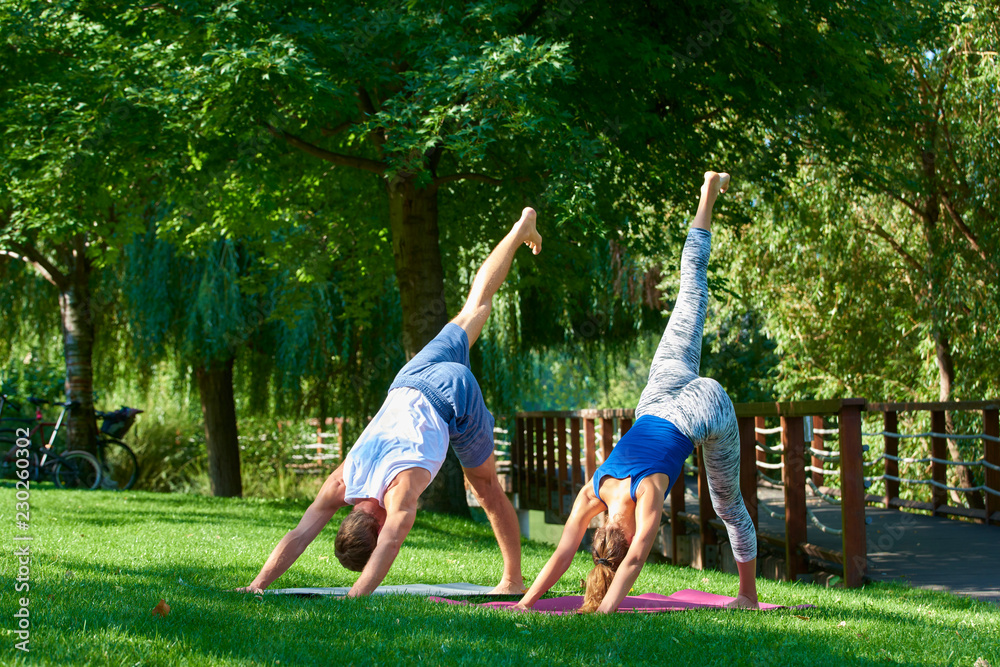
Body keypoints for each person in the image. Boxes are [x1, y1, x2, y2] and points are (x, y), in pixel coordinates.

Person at [238, 208, 542, 596]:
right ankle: (518, 230)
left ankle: (514, 580)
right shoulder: (342, 482)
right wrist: (257, 585)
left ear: (376, 527)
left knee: (485, 489)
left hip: (452, 393)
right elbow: (300, 533)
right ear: (350, 515)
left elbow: (390, 544)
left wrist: (354, 598)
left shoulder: (399, 492)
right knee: (474, 306)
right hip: (410, 381)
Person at [515, 171, 758, 613]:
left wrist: (589, 611)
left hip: (700, 404)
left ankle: (748, 596)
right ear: (605, 528)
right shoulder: (595, 492)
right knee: (692, 292)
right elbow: (567, 552)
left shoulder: (644, 495)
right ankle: (706, 193)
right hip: (662, 396)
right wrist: (526, 603)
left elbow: (622, 560)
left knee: (728, 503)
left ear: (619, 536)